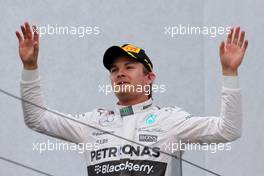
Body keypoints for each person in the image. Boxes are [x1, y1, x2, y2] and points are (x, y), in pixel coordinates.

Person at [16, 22, 248, 176]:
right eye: (114, 69)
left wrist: (230, 73)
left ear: (150, 78)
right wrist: (30, 67)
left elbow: (228, 130)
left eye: (129, 66)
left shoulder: (170, 119)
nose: (120, 73)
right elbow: (37, 118)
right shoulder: (92, 122)